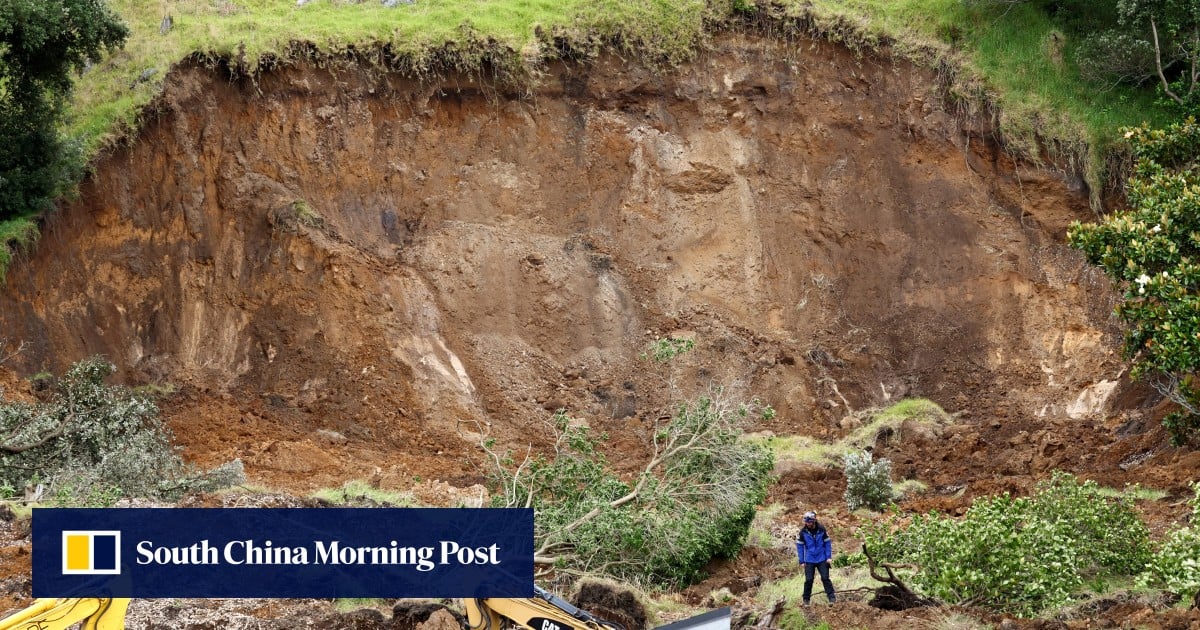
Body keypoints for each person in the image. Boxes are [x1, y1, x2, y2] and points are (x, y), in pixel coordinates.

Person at [795, 510, 836, 605]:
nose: (807, 524)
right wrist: (802, 561)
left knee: (825, 578)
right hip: (809, 559)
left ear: (814, 521)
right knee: (809, 580)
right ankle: (806, 600)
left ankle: (832, 598)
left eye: (809, 522)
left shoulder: (822, 529)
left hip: (822, 558)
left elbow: (827, 543)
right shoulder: (802, 532)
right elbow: (800, 547)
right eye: (806, 522)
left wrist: (828, 557)